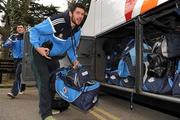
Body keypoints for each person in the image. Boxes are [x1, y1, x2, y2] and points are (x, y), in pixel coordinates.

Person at [29, 3, 86, 120]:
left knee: (54, 82)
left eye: (82, 14)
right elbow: (34, 31)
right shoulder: (57, 21)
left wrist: (75, 61)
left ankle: (48, 107)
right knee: (44, 82)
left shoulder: (77, 31)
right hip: (40, 53)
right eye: (77, 13)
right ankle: (46, 115)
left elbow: (71, 47)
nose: (80, 16)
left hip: (53, 57)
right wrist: (37, 47)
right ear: (71, 13)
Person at [2, 24, 26, 98]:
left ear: (24, 29)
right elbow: (5, 45)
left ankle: (13, 92)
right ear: (16, 29)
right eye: (18, 27)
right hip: (16, 58)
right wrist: (10, 42)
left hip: (24, 59)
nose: (19, 28)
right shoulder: (13, 36)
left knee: (18, 74)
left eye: (21, 27)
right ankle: (22, 87)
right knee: (18, 74)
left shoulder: (27, 37)